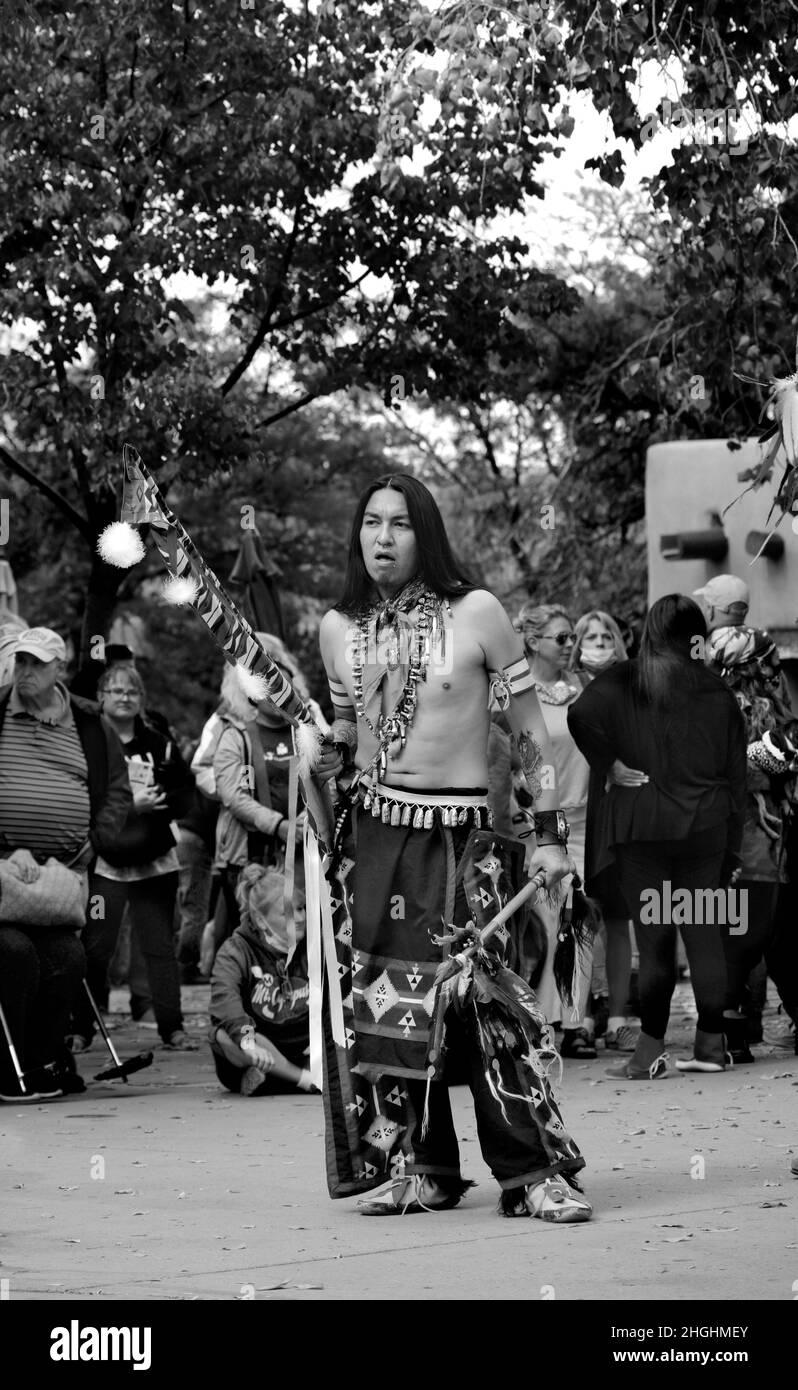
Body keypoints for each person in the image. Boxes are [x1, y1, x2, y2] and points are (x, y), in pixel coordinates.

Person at [317, 472, 591, 1222]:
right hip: (374, 837)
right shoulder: (338, 629)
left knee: (483, 1005)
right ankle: (425, 1167)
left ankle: (533, 1173)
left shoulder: (477, 614)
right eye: (370, 522)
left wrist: (549, 833)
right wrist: (321, 757)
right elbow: (347, 740)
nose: (381, 538)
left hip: (464, 838)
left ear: (425, 532)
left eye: (399, 524)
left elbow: (529, 732)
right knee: (391, 1007)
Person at [568, 595, 747, 1079]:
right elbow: (737, 775)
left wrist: (611, 764)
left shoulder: (626, 680)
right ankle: (711, 1047)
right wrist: (734, 843)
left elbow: (578, 715)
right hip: (706, 829)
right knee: (705, 934)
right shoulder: (718, 692)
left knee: (656, 940)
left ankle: (650, 1053)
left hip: (643, 830)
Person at [0, 628, 132, 1098]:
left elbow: (117, 790)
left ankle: (44, 1061)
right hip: (4, 870)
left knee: (68, 957)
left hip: (65, 873)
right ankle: (6, 1064)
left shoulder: (90, 722)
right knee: (12, 954)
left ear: (59, 667)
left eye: (36, 663)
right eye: (20, 663)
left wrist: (95, 841)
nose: (26, 673)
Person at [70, 663, 198, 1052]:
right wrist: (130, 806)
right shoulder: (85, 740)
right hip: (107, 862)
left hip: (154, 862)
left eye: (132, 692)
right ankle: (80, 1029)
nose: (124, 698)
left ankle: (172, 1028)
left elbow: (184, 796)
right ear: (101, 698)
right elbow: (81, 800)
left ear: (141, 700)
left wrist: (158, 805)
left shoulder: (160, 742)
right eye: (116, 691)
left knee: (159, 948)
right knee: (95, 950)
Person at [705, 625, 798, 1061]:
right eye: (767, 661)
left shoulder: (764, 704)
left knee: (763, 932)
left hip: (766, 832)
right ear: (748, 665)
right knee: (750, 932)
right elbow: (733, 772)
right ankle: (728, 1032)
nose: (774, 669)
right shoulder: (729, 707)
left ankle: (733, 1033)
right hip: (748, 833)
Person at [513, 603, 596, 1058]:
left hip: (583, 819)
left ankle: (577, 1021)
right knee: (545, 920)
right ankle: (539, 1022)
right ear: (533, 642)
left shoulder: (581, 688)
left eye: (571, 638)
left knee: (580, 918)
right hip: (538, 823)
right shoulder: (515, 693)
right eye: (561, 638)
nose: (570, 645)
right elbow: (506, 756)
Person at [570, 609, 638, 1053]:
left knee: (616, 919)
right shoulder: (556, 692)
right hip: (568, 819)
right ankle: (578, 1019)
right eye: (589, 636)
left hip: (616, 815)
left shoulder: (633, 688)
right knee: (577, 922)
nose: (598, 643)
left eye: (605, 635)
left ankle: (617, 1016)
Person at [208, 862, 316, 1096]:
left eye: (301, 908)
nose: (300, 918)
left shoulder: (314, 944)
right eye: (288, 912)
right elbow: (225, 1003)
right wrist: (247, 1041)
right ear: (259, 920)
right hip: (256, 1044)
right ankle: (303, 1079)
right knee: (222, 1035)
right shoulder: (235, 951)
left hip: (304, 1047)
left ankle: (273, 1080)